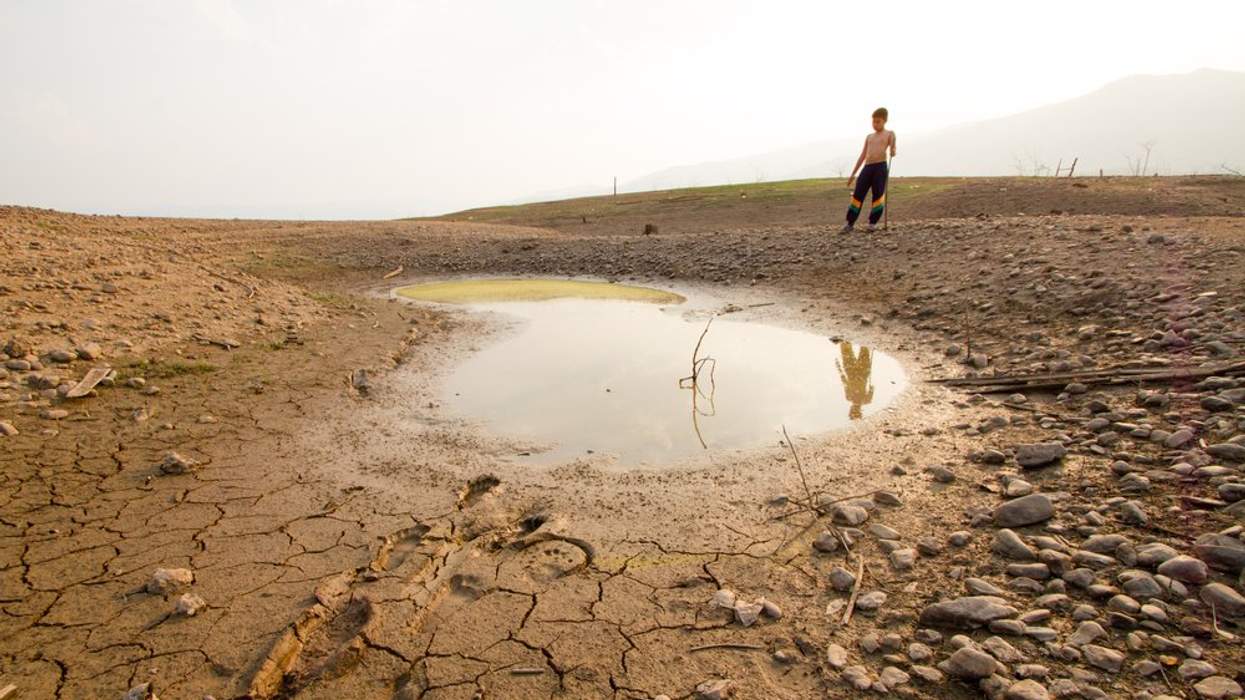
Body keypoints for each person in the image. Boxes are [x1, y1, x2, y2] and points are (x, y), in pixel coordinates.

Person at [841, 107, 896, 233]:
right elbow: (862, 155)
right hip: (867, 167)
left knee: (877, 195)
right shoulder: (869, 137)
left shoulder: (889, 134)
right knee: (858, 194)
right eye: (874, 122)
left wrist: (893, 149)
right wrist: (853, 174)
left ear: (884, 121)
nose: (875, 124)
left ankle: (872, 223)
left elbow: (893, 150)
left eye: (878, 122)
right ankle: (850, 223)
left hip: (880, 167)